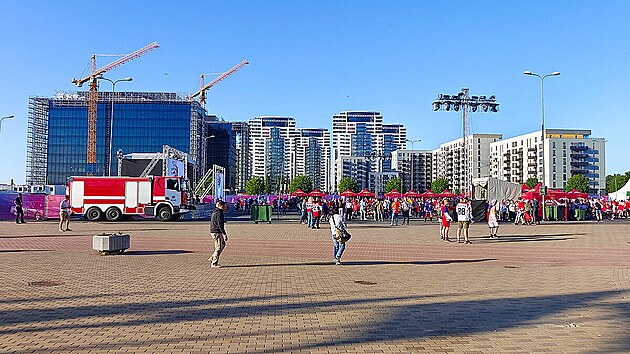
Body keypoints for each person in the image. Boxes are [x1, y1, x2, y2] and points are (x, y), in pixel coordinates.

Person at [209, 201, 229, 268]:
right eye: (225, 205)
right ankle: (214, 263)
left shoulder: (215, 211)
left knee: (222, 244)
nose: (226, 207)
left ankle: (213, 257)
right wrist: (224, 234)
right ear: (221, 206)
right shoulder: (219, 213)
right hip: (216, 232)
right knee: (219, 247)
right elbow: (220, 225)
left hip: (214, 231)